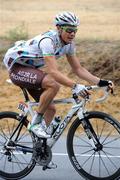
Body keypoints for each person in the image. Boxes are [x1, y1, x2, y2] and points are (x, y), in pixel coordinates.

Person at [3, 11, 114, 139]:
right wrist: (75, 86)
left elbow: (78, 69)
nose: (72, 34)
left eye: (75, 30)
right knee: (53, 84)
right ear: (59, 28)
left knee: (51, 109)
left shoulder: (69, 45)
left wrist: (101, 82)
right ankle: (35, 124)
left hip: (30, 70)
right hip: (17, 68)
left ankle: (40, 147)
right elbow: (53, 72)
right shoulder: (48, 41)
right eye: (69, 30)